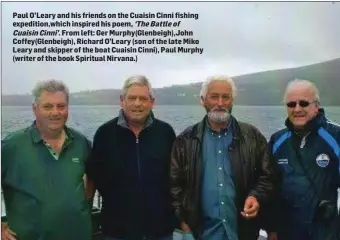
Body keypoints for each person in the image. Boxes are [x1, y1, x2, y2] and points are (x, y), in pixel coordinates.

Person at [170, 75, 276, 240]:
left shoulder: (253, 137)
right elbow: (175, 185)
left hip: (241, 232)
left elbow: (267, 176)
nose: (220, 103)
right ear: (203, 100)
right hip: (201, 234)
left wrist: (256, 196)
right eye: (214, 97)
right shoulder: (185, 140)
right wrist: (183, 222)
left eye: (225, 97)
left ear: (232, 100)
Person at [85, 75, 177, 240]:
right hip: (117, 231)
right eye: (132, 98)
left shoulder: (165, 132)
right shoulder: (104, 134)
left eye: (143, 98)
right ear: (122, 100)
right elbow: (93, 176)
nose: (137, 103)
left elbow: (177, 177)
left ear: (152, 101)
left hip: (160, 230)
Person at [1, 79, 92, 240]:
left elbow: (92, 178)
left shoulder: (81, 142)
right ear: (35, 109)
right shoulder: (11, 146)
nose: (55, 112)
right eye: (48, 106)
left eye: (61, 106)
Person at [266, 79, 340, 240]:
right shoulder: (277, 140)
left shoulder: (335, 137)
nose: (297, 109)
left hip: (325, 233)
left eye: (304, 103)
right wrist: (271, 228)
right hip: (287, 233)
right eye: (291, 104)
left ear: (316, 105)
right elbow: (270, 188)